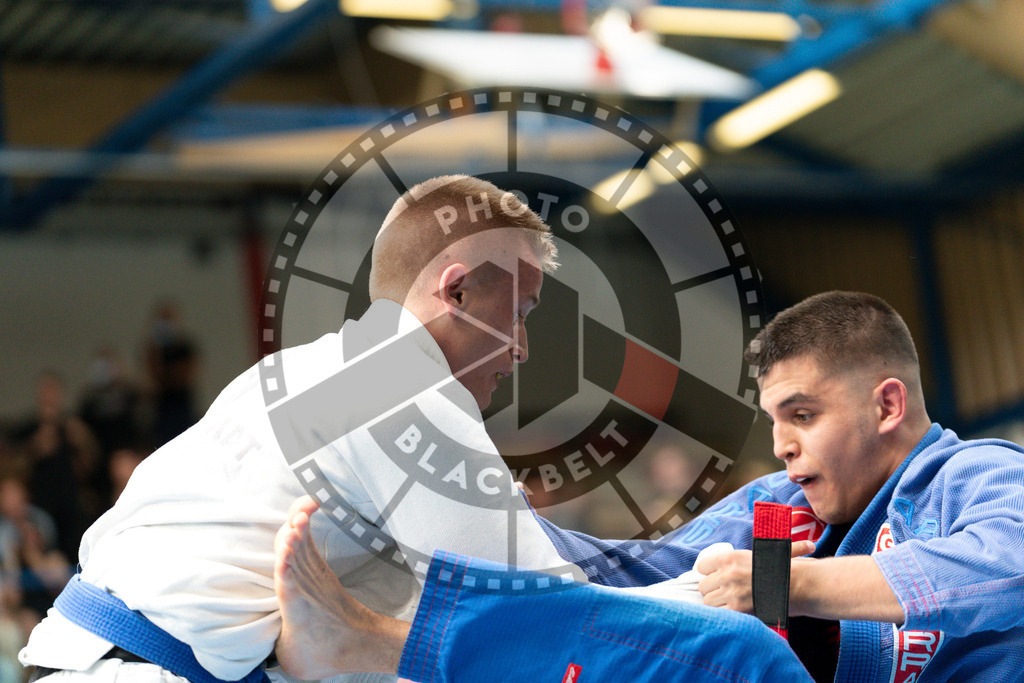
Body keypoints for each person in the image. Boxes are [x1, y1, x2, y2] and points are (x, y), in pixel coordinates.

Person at [271, 291, 1024, 682]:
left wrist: (790, 583)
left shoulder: (972, 476)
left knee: (738, 647)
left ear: (888, 405)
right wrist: (471, 514)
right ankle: (378, 629)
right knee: (639, 619)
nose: (782, 443)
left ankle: (377, 646)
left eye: (803, 413)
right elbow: (635, 577)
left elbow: (1005, 569)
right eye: (772, 420)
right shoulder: (781, 509)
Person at [19, 175, 586, 683]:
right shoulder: (411, 387)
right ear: (456, 292)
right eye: (519, 313)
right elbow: (557, 623)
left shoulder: (291, 372)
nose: (523, 349)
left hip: (79, 651)